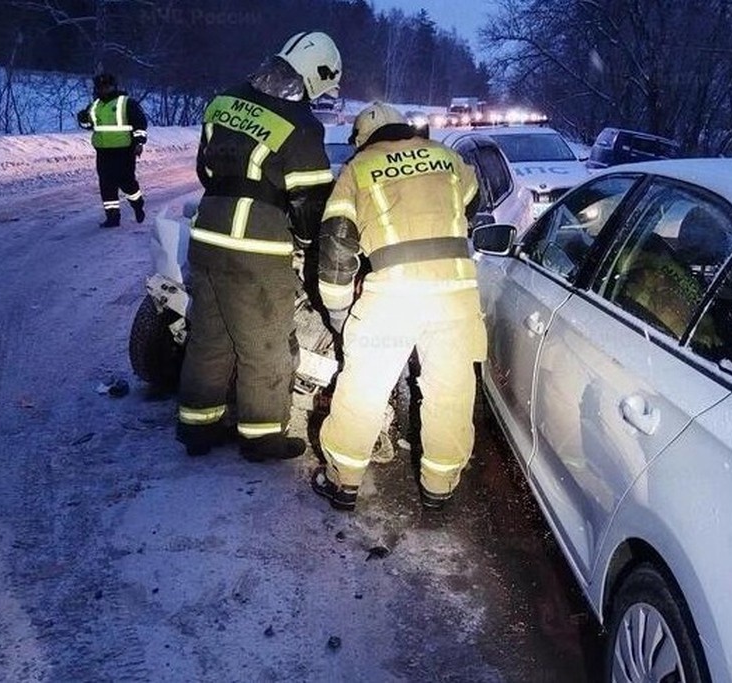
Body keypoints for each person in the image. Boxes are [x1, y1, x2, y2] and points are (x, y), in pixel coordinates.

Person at [310, 102, 486, 512]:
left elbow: (337, 243)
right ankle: (439, 487)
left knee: (364, 388)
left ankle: (343, 482)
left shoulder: (357, 168)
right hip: (454, 294)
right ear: (405, 127)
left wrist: (337, 310)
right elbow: (473, 205)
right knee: (450, 391)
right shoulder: (444, 155)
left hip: (392, 296)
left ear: (362, 139)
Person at [176, 32, 340, 462]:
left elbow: (205, 169)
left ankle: (197, 427)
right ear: (315, 73)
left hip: (206, 235)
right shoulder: (302, 126)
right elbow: (309, 204)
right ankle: (261, 437)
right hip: (256, 248)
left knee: (209, 336)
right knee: (264, 344)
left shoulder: (223, 99)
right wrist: (308, 245)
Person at [76, 73, 148, 228]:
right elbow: (90, 126)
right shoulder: (95, 106)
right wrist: (82, 119)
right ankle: (112, 218)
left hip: (124, 150)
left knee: (126, 182)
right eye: (100, 87)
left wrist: (139, 142)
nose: (103, 89)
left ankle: (137, 204)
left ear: (114, 86)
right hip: (103, 152)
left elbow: (140, 123)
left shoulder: (126, 103)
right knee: (106, 185)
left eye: (106, 86)